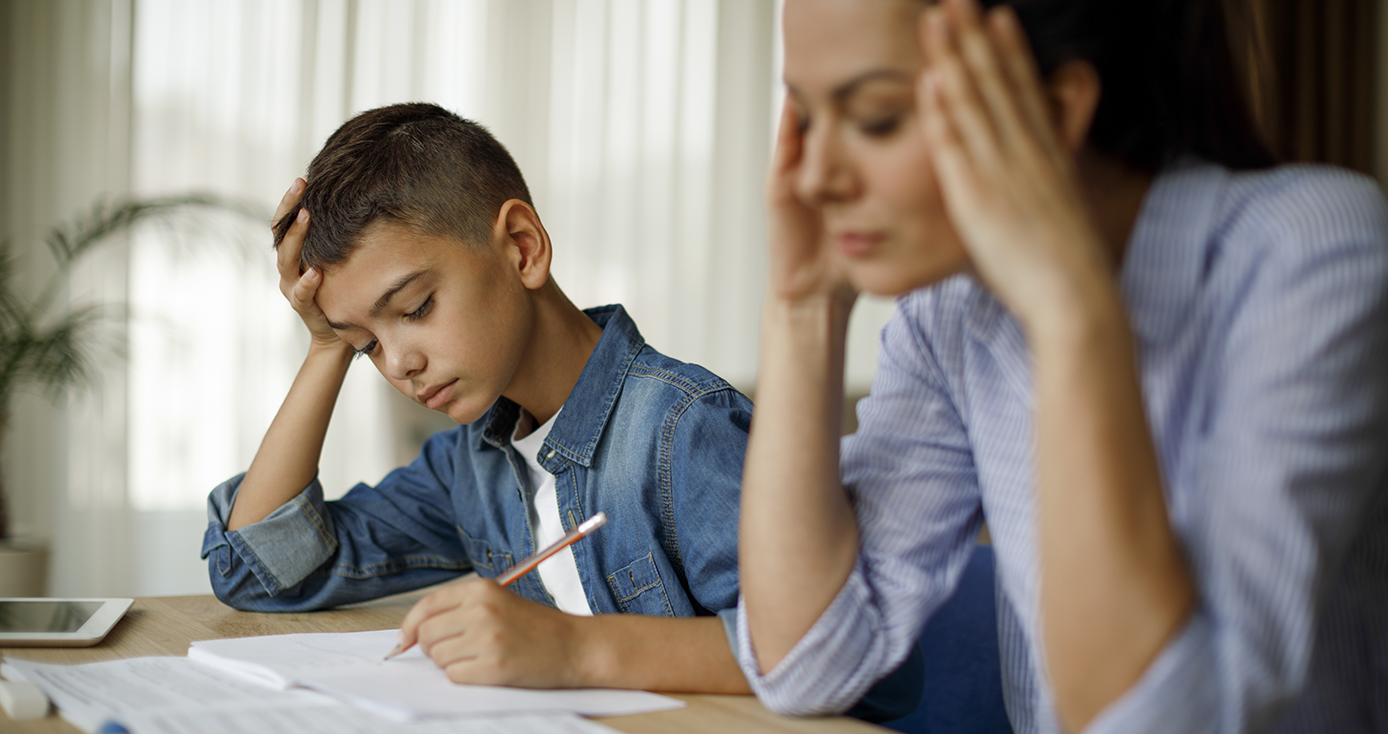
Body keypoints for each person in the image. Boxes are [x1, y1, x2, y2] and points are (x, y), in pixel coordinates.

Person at [735, 0, 1388, 732]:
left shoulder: (1307, 253)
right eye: (806, 118)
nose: (817, 176)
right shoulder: (950, 314)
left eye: (877, 118)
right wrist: (800, 306)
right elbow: (806, 662)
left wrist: (1068, 305)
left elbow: (1159, 721)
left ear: (1053, 110)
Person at [199, 102, 762, 694]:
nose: (398, 363)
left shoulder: (683, 431)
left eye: (416, 308)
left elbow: (822, 652)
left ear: (522, 247)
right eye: (367, 345)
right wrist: (325, 346)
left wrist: (575, 651)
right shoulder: (469, 467)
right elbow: (261, 571)